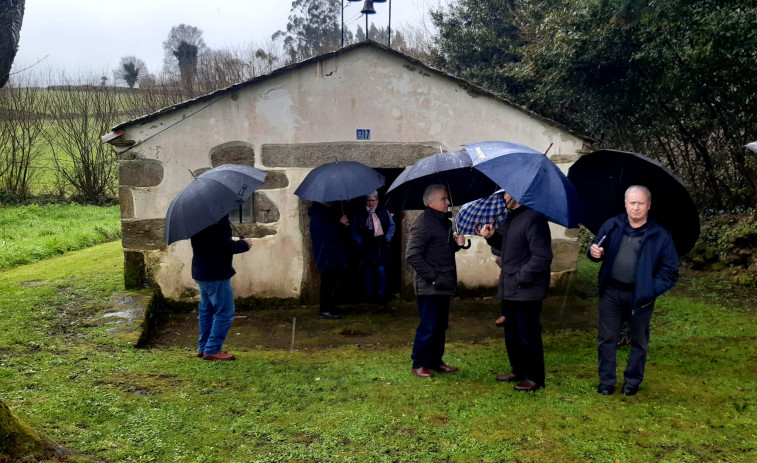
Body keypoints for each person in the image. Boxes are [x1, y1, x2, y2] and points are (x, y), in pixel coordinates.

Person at [588, 185, 679, 396]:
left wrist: (650, 289)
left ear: (648, 206)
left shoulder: (660, 235)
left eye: (640, 203)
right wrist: (593, 252)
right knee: (606, 339)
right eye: (632, 203)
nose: (636, 208)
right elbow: (596, 247)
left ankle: (632, 381)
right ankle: (606, 381)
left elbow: (670, 271)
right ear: (625, 204)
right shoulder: (612, 225)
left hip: (641, 297)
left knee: (639, 341)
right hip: (611, 292)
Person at [479, 191, 552, 392]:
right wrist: (492, 237)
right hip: (510, 289)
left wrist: (520, 278)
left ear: (518, 195)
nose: (503, 198)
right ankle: (518, 370)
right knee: (512, 332)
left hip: (526, 290)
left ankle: (534, 377)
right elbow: (507, 247)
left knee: (528, 334)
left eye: (506, 193)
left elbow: (542, 257)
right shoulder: (511, 218)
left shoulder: (535, 219)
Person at [406, 185, 467, 379]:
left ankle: (435, 361)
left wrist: (458, 244)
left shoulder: (444, 222)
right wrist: (434, 278)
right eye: (444, 199)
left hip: (444, 284)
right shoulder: (423, 224)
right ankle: (418, 364)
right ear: (430, 202)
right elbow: (413, 255)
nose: (448, 202)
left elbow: (443, 251)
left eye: (447, 199)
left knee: (440, 326)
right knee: (428, 326)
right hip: (430, 286)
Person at [191, 216, 253, 361]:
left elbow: (209, 244)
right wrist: (244, 244)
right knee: (225, 312)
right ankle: (212, 349)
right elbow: (222, 247)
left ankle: (204, 346)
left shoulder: (195, 219)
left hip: (201, 271)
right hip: (216, 274)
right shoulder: (218, 220)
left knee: (207, 310)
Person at [350, 191, 396, 305]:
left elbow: (392, 226)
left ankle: (381, 295)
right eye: (369, 201)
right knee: (368, 270)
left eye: (373, 200)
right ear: (366, 201)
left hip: (380, 245)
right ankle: (369, 295)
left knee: (381, 269)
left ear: (377, 200)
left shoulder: (383, 211)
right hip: (366, 245)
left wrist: (387, 239)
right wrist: (359, 240)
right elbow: (353, 229)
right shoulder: (360, 213)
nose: (371, 203)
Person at [309, 201, 350, 320]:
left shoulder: (326, 212)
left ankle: (330, 306)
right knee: (327, 283)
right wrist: (341, 223)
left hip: (332, 254)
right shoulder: (318, 214)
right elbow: (329, 233)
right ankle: (324, 310)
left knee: (332, 282)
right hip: (325, 255)